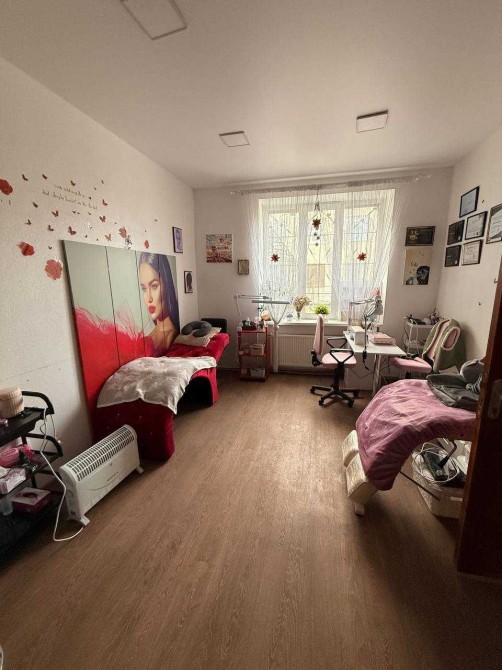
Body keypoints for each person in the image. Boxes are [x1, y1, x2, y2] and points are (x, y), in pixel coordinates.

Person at [138, 252, 180, 355]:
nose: (149, 298)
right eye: (144, 288)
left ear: (167, 285)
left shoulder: (173, 336)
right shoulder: (146, 339)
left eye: (154, 286)